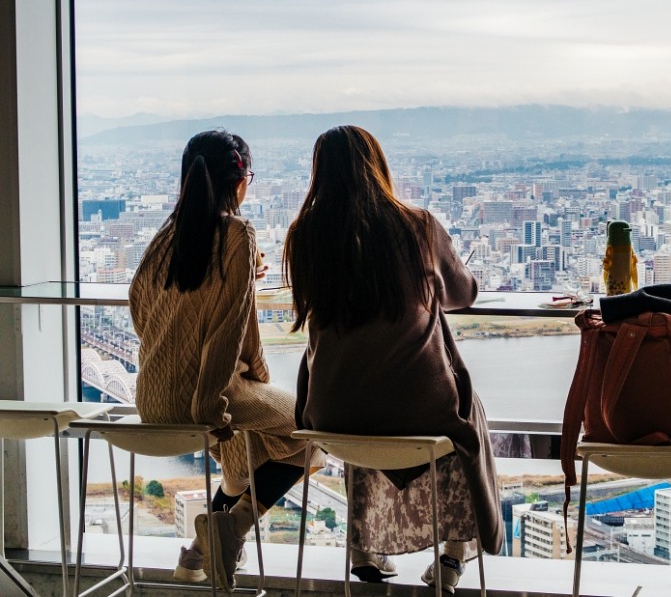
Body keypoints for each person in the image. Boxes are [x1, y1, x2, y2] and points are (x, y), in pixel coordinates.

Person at [285, 125, 504, 593]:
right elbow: (462, 293)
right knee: (463, 413)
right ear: (378, 168)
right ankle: (453, 553)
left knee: (362, 398)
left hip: (330, 416)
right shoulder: (417, 225)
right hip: (420, 411)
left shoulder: (304, 236)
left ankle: (364, 548)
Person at [129, 130, 324, 591]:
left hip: (151, 398)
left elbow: (140, 308)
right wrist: (218, 403)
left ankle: (197, 553)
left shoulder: (164, 237)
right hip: (209, 396)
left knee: (244, 458)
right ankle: (231, 530)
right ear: (240, 182)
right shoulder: (238, 234)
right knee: (316, 434)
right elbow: (230, 336)